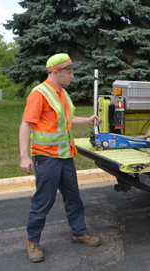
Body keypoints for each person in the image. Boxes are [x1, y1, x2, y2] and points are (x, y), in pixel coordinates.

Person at [19, 53, 101, 263]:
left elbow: (65, 118)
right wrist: (24, 156)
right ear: (55, 72)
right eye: (69, 72)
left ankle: (79, 232)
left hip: (65, 156)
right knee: (43, 201)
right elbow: (26, 123)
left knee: (73, 197)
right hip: (46, 158)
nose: (72, 76)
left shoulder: (61, 92)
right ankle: (33, 242)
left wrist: (87, 120)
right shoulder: (40, 94)